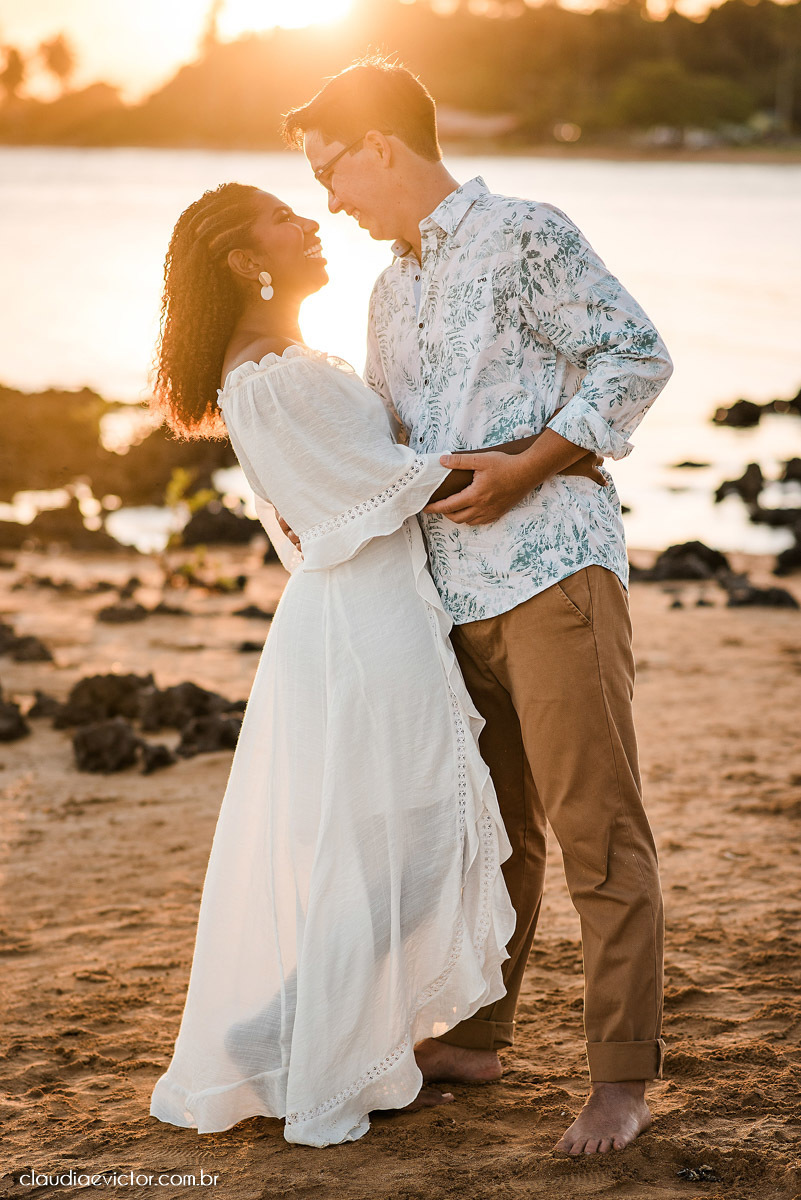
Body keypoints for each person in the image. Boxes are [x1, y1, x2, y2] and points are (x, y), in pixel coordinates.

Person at [146, 182, 605, 1148]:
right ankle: (292, 1035)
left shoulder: (280, 364)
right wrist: (555, 453)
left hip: (370, 608)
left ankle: (312, 1030)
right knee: (410, 837)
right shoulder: (272, 374)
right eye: (285, 217)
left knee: (404, 837)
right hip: (366, 620)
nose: (311, 222)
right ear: (244, 260)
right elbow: (399, 486)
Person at [281, 55, 674, 1156]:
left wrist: (529, 466)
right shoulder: (387, 290)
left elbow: (635, 357)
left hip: (551, 572)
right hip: (443, 595)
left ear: (381, 145)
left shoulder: (525, 233)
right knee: (488, 831)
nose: (331, 201)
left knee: (598, 827)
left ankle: (621, 1080)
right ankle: (475, 1035)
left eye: (331, 170)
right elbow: (391, 440)